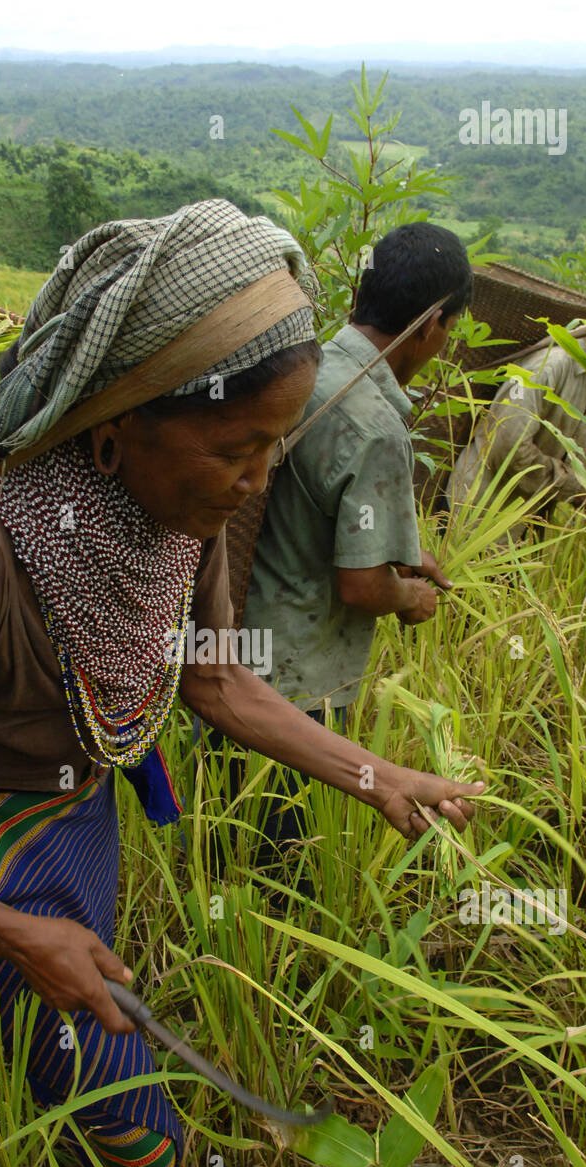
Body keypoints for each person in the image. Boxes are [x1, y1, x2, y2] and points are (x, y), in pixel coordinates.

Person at [0, 200, 484, 1167]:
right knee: (107, 1087)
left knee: (41, 1014)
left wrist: (374, 774)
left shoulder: (174, 517)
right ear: (114, 427)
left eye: (275, 447)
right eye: (236, 449)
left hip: (75, 807)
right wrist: (13, 927)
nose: (257, 481)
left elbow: (209, 678)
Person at [218, 223, 472, 864]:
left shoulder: (305, 369)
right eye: (449, 330)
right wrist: (409, 596)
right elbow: (360, 586)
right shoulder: (377, 425)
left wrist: (404, 548)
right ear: (434, 324)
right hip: (300, 692)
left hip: (231, 666)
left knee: (221, 852)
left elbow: (304, 504)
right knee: (282, 867)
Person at [446, 277, 586, 530]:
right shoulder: (550, 366)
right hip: (475, 514)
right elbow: (507, 445)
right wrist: (573, 486)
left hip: (517, 522)